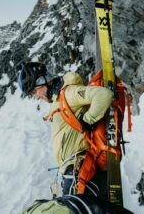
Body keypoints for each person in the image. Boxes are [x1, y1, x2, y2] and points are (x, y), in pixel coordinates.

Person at [17, 61, 114, 200]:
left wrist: (87, 120)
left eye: (34, 91)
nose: (36, 97)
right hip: (72, 174)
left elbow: (103, 95)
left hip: (80, 171)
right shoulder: (56, 101)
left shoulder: (68, 93)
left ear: (44, 81)